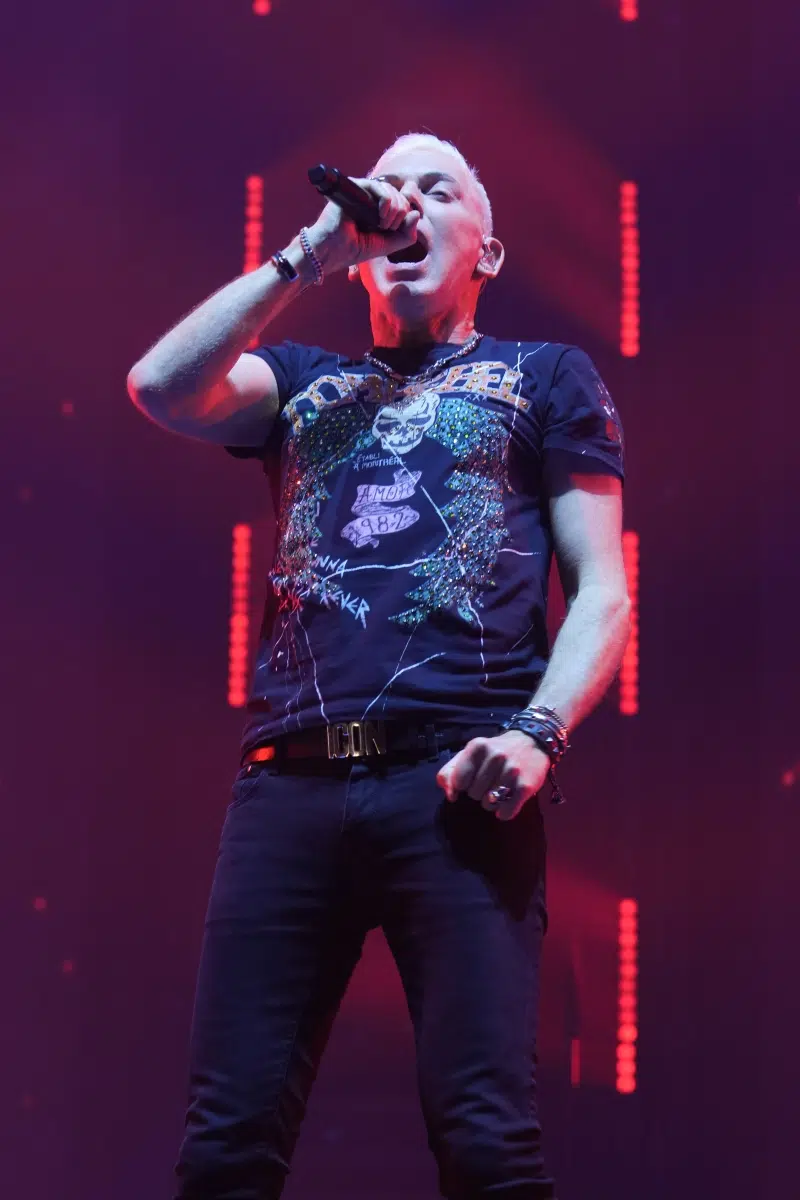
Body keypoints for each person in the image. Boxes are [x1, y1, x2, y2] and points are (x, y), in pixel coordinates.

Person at [128, 132, 631, 1200]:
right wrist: (307, 255)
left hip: (455, 784)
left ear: (486, 251)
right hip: (287, 786)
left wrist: (538, 734)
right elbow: (160, 386)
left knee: (486, 1144)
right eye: (389, 189)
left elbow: (602, 589)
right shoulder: (303, 383)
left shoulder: (544, 376)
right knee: (224, 1150)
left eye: (435, 191)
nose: (404, 204)